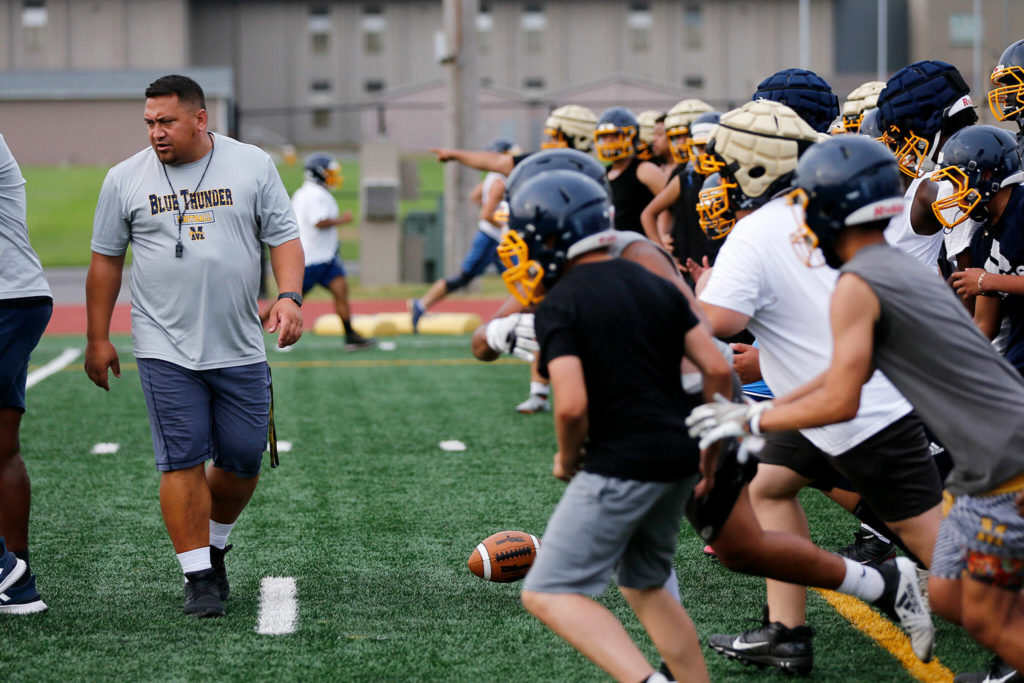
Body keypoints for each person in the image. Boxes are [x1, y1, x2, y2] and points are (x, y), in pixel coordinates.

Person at [687, 134, 1024, 677]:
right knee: (956, 595)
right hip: (998, 447)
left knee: (978, 611)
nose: (804, 221)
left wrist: (753, 415)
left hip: (1003, 462)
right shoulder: (895, 269)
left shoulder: (856, 284)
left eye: (809, 205)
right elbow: (849, 378)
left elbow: (842, 399)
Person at [84, 74, 305, 618]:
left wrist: (290, 297)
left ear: (200, 119)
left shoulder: (252, 164)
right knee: (181, 459)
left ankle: (215, 545)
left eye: (167, 121)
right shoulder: (123, 179)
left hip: (239, 344)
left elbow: (284, 237)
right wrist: (97, 336)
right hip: (164, 346)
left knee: (241, 460)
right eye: (149, 123)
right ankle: (198, 575)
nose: (156, 132)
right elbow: (106, 260)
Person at [506, 168, 733, 683]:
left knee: (547, 591)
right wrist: (711, 453)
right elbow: (717, 369)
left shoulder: (560, 301)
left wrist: (566, 458)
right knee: (646, 582)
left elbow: (570, 406)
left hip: (624, 462)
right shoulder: (654, 280)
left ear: (551, 237)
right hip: (679, 454)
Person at [0, 132, 52, 614]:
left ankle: (3, 569)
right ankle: (16, 579)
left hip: (5, 300)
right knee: (3, 448)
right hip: (16, 297)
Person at [409, 138, 519, 335]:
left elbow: (475, 196)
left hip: (493, 236)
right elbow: (485, 214)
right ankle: (420, 305)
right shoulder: (500, 182)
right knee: (471, 277)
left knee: (516, 281)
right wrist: (506, 223)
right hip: (493, 238)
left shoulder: (492, 179)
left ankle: (520, 318)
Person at [293, 151, 375, 351]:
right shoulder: (316, 195)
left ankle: (350, 335)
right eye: (329, 172)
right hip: (312, 259)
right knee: (289, 299)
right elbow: (318, 221)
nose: (333, 176)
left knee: (341, 291)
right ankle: (258, 323)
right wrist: (343, 220)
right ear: (318, 173)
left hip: (325, 258)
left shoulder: (305, 192)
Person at [593, 107, 666, 235]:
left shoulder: (644, 169)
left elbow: (671, 205)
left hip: (640, 247)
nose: (609, 140)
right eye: (604, 136)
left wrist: (661, 234)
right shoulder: (602, 174)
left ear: (631, 136)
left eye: (615, 135)